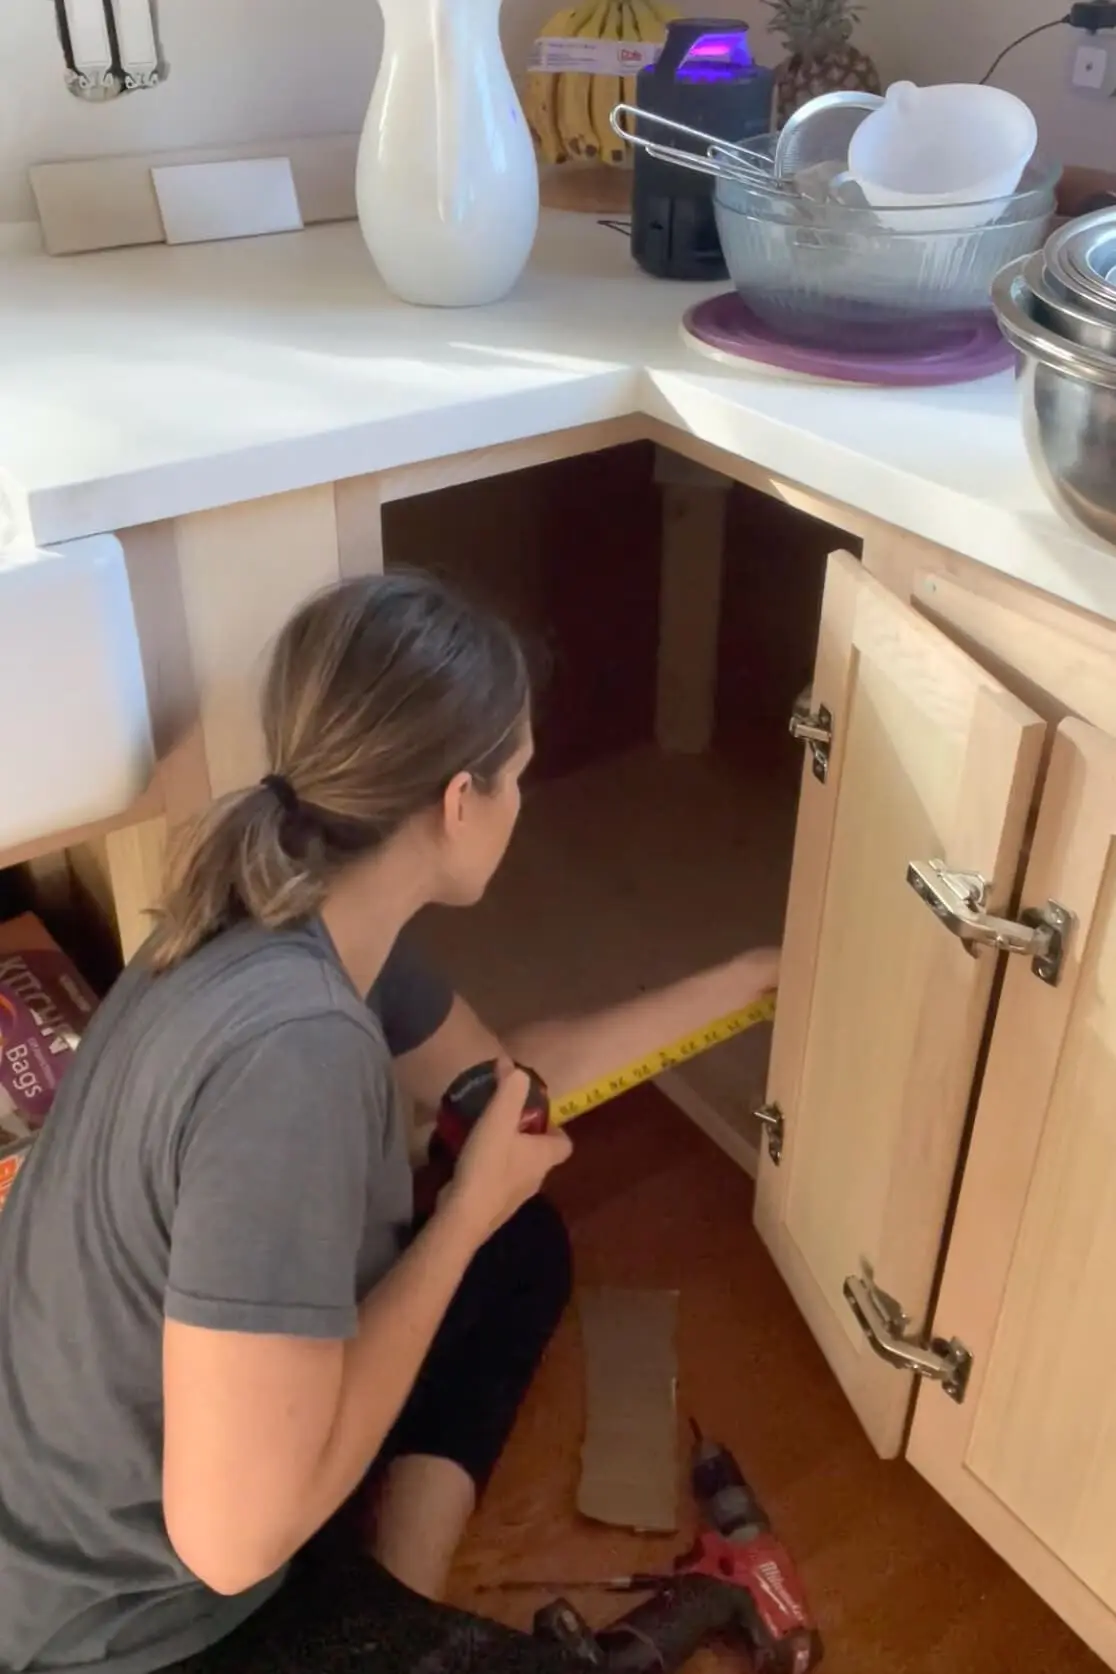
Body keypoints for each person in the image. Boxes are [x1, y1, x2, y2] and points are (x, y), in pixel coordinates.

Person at [0, 570, 780, 1674]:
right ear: (460, 804)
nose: (523, 798)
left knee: (520, 1248)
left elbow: (507, 1082)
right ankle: (365, 1625)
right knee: (480, 1237)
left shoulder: (285, 900)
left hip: (83, 1468)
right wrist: (459, 1216)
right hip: (127, 1625)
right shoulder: (293, 1059)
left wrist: (752, 978)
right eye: (518, 776)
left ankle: (384, 1594)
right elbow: (228, 1547)